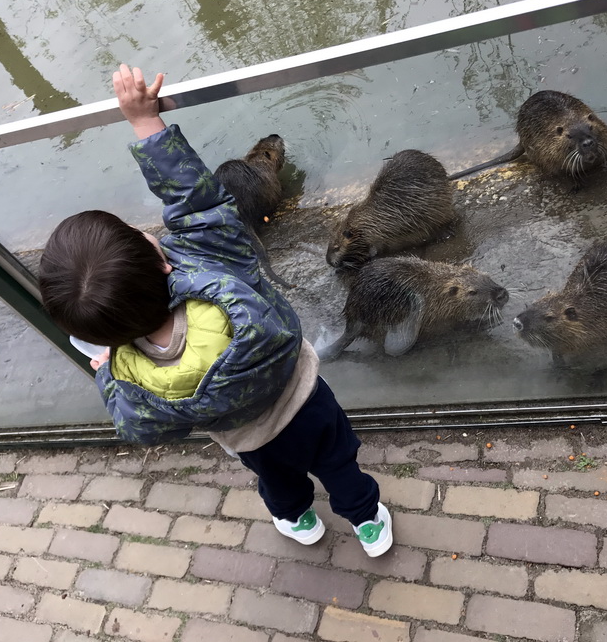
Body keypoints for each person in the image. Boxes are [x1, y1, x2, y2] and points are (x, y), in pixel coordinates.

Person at [38, 64, 392, 557]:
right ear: (162, 264)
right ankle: (368, 521)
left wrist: (105, 372)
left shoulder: (131, 372)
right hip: (307, 396)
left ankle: (299, 521)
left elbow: (135, 427)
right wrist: (145, 122)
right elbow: (194, 200)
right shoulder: (213, 263)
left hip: (251, 440)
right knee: (338, 464)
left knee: (280, 484)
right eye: (141, 235)